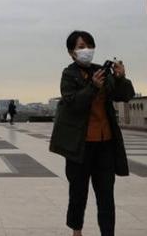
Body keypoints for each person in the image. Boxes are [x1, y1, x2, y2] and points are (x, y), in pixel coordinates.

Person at [49, 31, 135, 236]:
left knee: (106, 195)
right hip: (80, 145)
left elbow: (125, 95)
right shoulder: (69, 74)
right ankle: (76, 232)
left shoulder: (101, 72)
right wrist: (93, 87)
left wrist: (121, 77)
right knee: (78, 193)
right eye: (80, 47)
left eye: (88, 45)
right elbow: (73, 103)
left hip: (105, 142)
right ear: (71, 53)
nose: (85, 50)